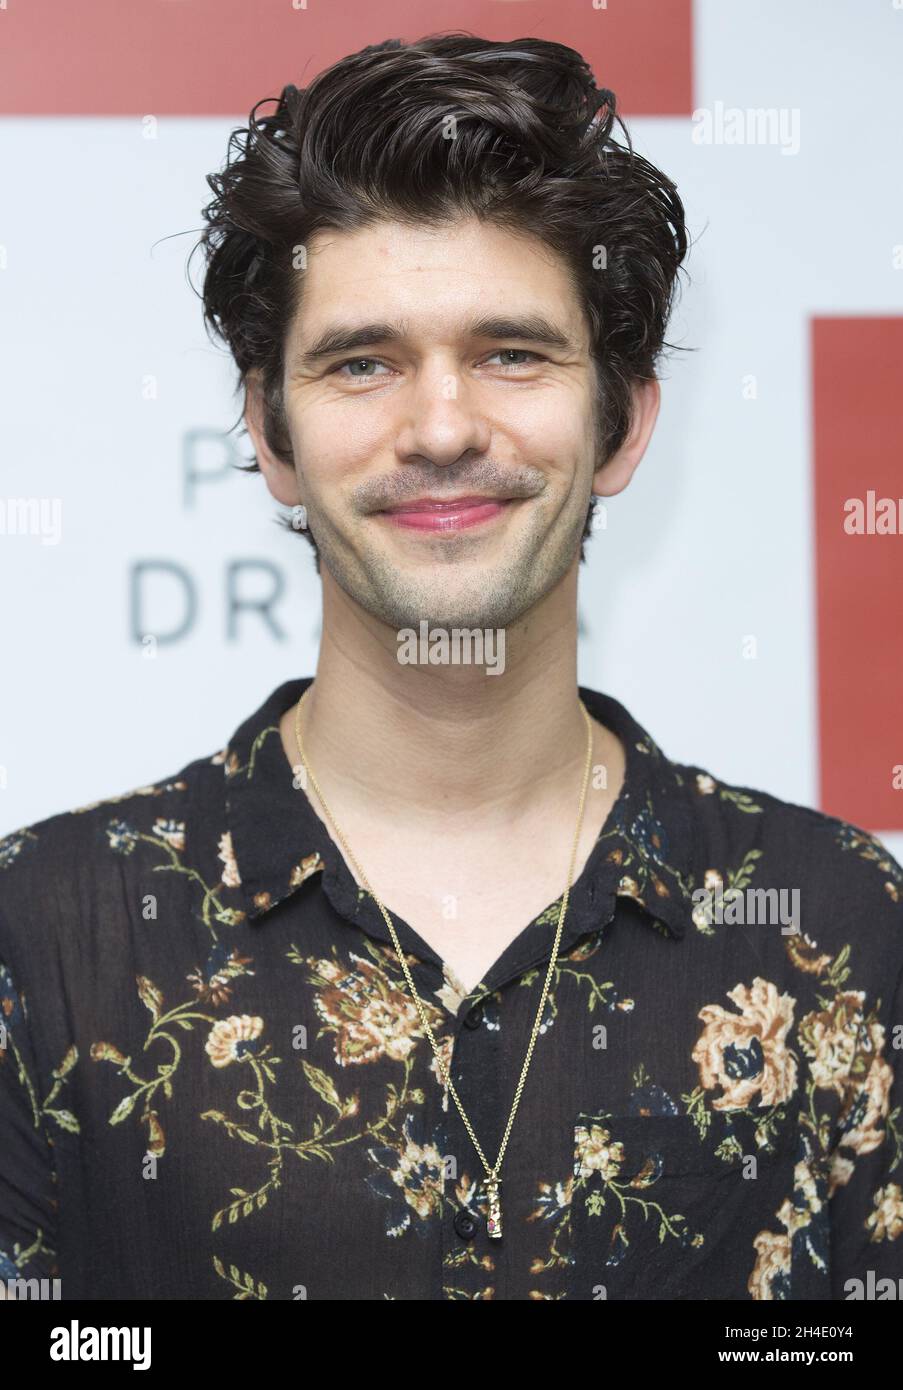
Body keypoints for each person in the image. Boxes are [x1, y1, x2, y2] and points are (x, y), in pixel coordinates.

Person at [1, 33, 900, 1303]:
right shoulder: (47, 935)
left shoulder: (841, 924)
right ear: (268, 432)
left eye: (512, 353)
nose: (439, 427)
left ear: (626, 420)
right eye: (362, 361)